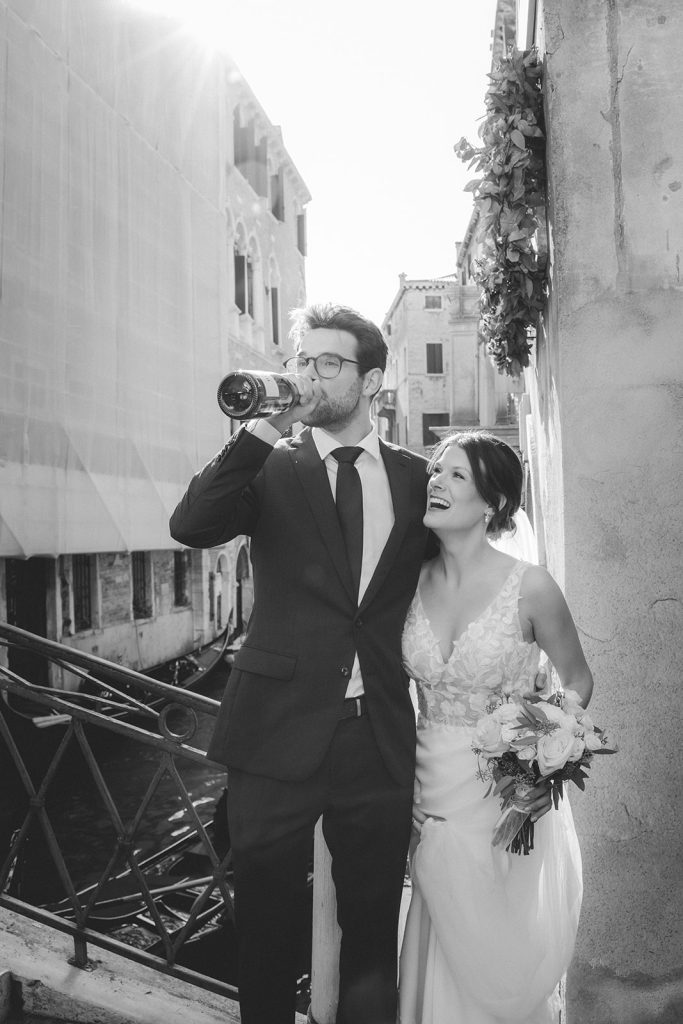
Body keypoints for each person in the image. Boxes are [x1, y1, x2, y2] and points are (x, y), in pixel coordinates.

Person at [169, 303, 434, 1024]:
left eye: (327, 363)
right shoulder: (268, 466)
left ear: (370, 379)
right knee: (265, 922)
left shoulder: (416, 480)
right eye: (299, 359)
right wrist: (258, 429)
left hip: (374, 736)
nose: (307, 374)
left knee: (373, 922)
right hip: (274, 732)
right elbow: (191, 524)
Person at [398, 431, 592, 1024]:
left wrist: (540, 752)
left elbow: (578, 682)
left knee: (496, 944)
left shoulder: (530, 587)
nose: (436, 482)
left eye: (457, 476)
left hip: (503, 791)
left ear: (493, 503)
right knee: (436, 933)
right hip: (425, 784)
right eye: (436, 471)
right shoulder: (407, 580)